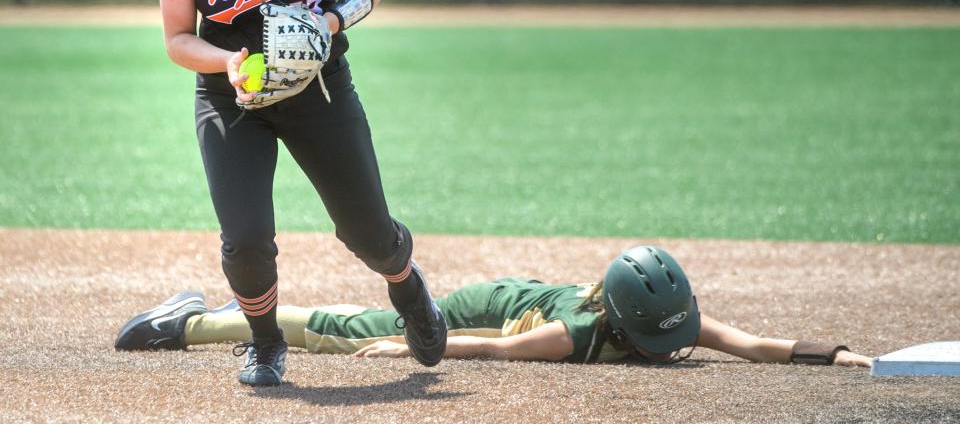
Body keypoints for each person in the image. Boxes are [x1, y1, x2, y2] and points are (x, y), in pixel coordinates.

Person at [153, 0, 446, 386]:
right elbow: (179, 40)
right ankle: (265, 343)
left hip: (318, 88)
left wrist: (335, 19)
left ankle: (407, 286)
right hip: (232, 96)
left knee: (368, 235)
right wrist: (227, 62)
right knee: (246, 239)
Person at [115, 246, 872, 368]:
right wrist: (414, 344)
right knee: (350, 331)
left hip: (514, 304)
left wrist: (835, 353)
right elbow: (496, 349)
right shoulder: (574, 333)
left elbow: (755, 345)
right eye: (657, 334)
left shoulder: (674, 321)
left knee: (354, 324)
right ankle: (186, 321)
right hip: (486, 311)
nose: (673, 344)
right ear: (617, 320)